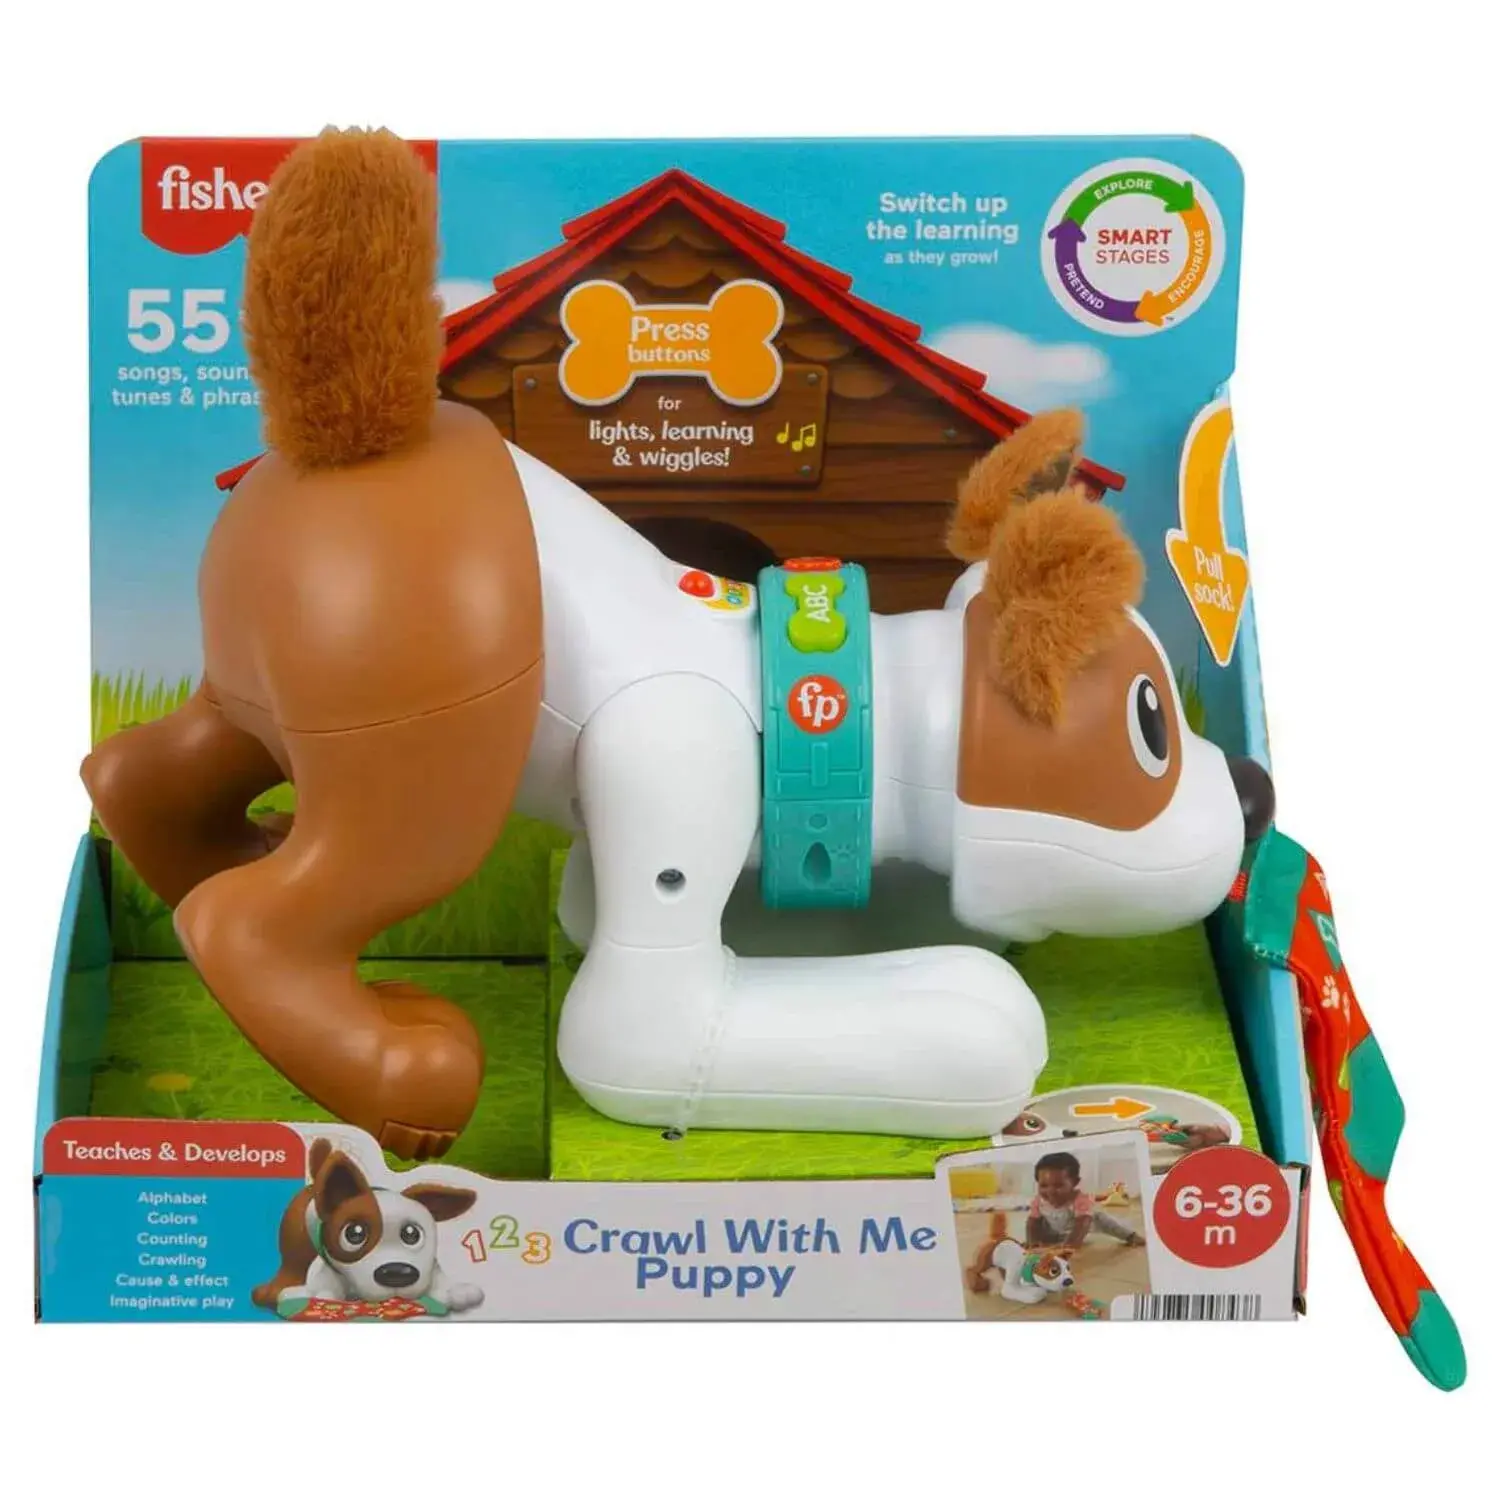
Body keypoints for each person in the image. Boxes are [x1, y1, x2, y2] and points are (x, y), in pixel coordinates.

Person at [1026, 1152, 1143, 1248]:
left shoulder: (1080, 1200)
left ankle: (1130, 1236)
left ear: (1075, 1182)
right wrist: (1033, 1242)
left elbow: (1082, 1223)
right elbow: (1032, 1223)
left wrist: (1070, 1245)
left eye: (1058, 1185)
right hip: (1053, 1231)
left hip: (1079, 1228)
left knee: (1101, 1219)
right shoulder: (1038, 1201)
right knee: (1038, 1224)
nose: (1050, 1191)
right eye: (1044, 1186)